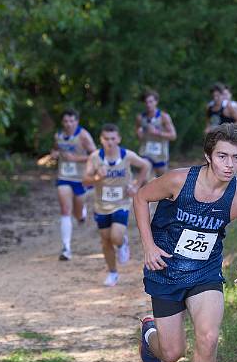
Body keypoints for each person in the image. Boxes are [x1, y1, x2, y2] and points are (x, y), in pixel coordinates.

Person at [135, 123, 237, 362]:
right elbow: (140, 197)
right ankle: (150, 335)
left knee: (208, 337)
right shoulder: (179, 181)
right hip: (165, 270)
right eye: (222, 156)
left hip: (205, 272)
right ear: (208, 156)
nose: (230, 164)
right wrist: (148, 246)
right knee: (172, 353)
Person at [83, 124, 151, 286]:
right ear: (101, 139)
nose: (110, 142)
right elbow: (85, 180)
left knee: (116, 236)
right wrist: (97, 178)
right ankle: (113, 272)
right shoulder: (94, 157)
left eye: (113, 138)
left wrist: (136, 185)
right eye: (106, 139)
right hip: (101, 206)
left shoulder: (126, 155)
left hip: (121, 203)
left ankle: (122, 243)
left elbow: (145, 165)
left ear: (118, 139)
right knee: (106, 240)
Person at [51, 108, 97, 261]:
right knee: (65, 209)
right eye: (65, 121)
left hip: (81, 178)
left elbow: (95, 155)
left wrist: (75, 158)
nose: (68, 124)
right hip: (64, 177)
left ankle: (81, 213)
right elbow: (56, 150)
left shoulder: (83, 135)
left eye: (71, 121)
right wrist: (54, 154)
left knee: (77, 213)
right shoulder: (58, 136)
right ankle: (66, 248)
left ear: (76, 121)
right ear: (62, 122)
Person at [135, 90, 177, 177]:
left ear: (156, 102)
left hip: (160, 154)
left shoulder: (163, 117)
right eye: (146, 102)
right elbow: (139, 135)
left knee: (162, 181)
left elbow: (173, 136)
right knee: (144, 179)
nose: (148, 104)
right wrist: (139, 134)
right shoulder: (140, 118)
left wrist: (157, 132)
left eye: (151, 101)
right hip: (146, 152)